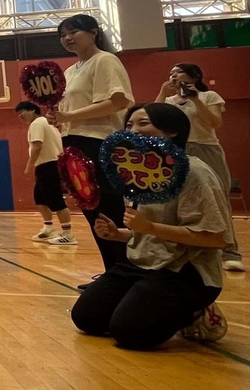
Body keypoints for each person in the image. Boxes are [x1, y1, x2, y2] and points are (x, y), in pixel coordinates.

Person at [71, 103, 230, 349]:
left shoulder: (194, 172)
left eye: (143, 123)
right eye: (128, 125)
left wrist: (151, 228)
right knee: (86, 318)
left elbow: (215, 238)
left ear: (172, 131)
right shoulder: (132, 173)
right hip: (140, 264)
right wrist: (119, 234)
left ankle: (197, 311)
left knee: (130, 332)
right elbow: (144, 233)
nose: (132, 130)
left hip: (184, 271)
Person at [52, 14, 133, 278]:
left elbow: (118, 102)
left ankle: (126, 271)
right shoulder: (70, 71)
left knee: (108, 210)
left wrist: (68, 116)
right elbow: (70, 112)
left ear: (94, 32)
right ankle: (112, 272)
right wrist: (60, 117)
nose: (67, 38)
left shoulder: (105, 60)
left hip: (99, 143)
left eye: (73, 32)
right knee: (92, 211)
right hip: (73, 143)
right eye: (63, 35)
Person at [157, 63, 243, 272]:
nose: (173, 75)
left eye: (178, 71)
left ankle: (230, 252)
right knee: (174, 202)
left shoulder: (209, 96)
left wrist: (195, 99)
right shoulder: (169, 101)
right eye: (171, 72)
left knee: (218, 200)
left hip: (206, 148)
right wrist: (162, 93)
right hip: (176, 151)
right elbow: (154, 119)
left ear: (193, 76)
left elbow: (214, 122)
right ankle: (182, 251)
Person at [15, 101, 74, 244]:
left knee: (55, 199)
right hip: (47, 165)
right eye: (18, 114)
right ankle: (49, 228)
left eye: (22, 112)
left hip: (49, 164)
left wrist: (29, 165)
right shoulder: (47, 123)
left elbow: (37, 146)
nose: (20, 116)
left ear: (32, 110)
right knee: (40, 197)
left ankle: (68, 234)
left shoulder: (37, 123)